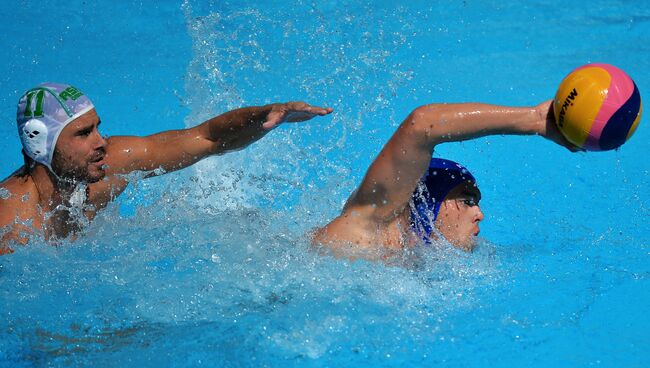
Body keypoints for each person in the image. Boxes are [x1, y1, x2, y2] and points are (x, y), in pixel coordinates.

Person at [0, 82, 332, 252]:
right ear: (39, 143)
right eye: (84, 133)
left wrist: (266, 115)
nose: (101, 142)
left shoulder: (111, 165)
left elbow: (205, 138)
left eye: (98, 128)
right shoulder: (12, 226)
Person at [312, 100, 577, 257]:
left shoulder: (412, 258)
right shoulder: (366, 231)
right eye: (466, 199)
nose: (480, 214)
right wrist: (535, 119)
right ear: (428, 201)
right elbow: (422, 125)